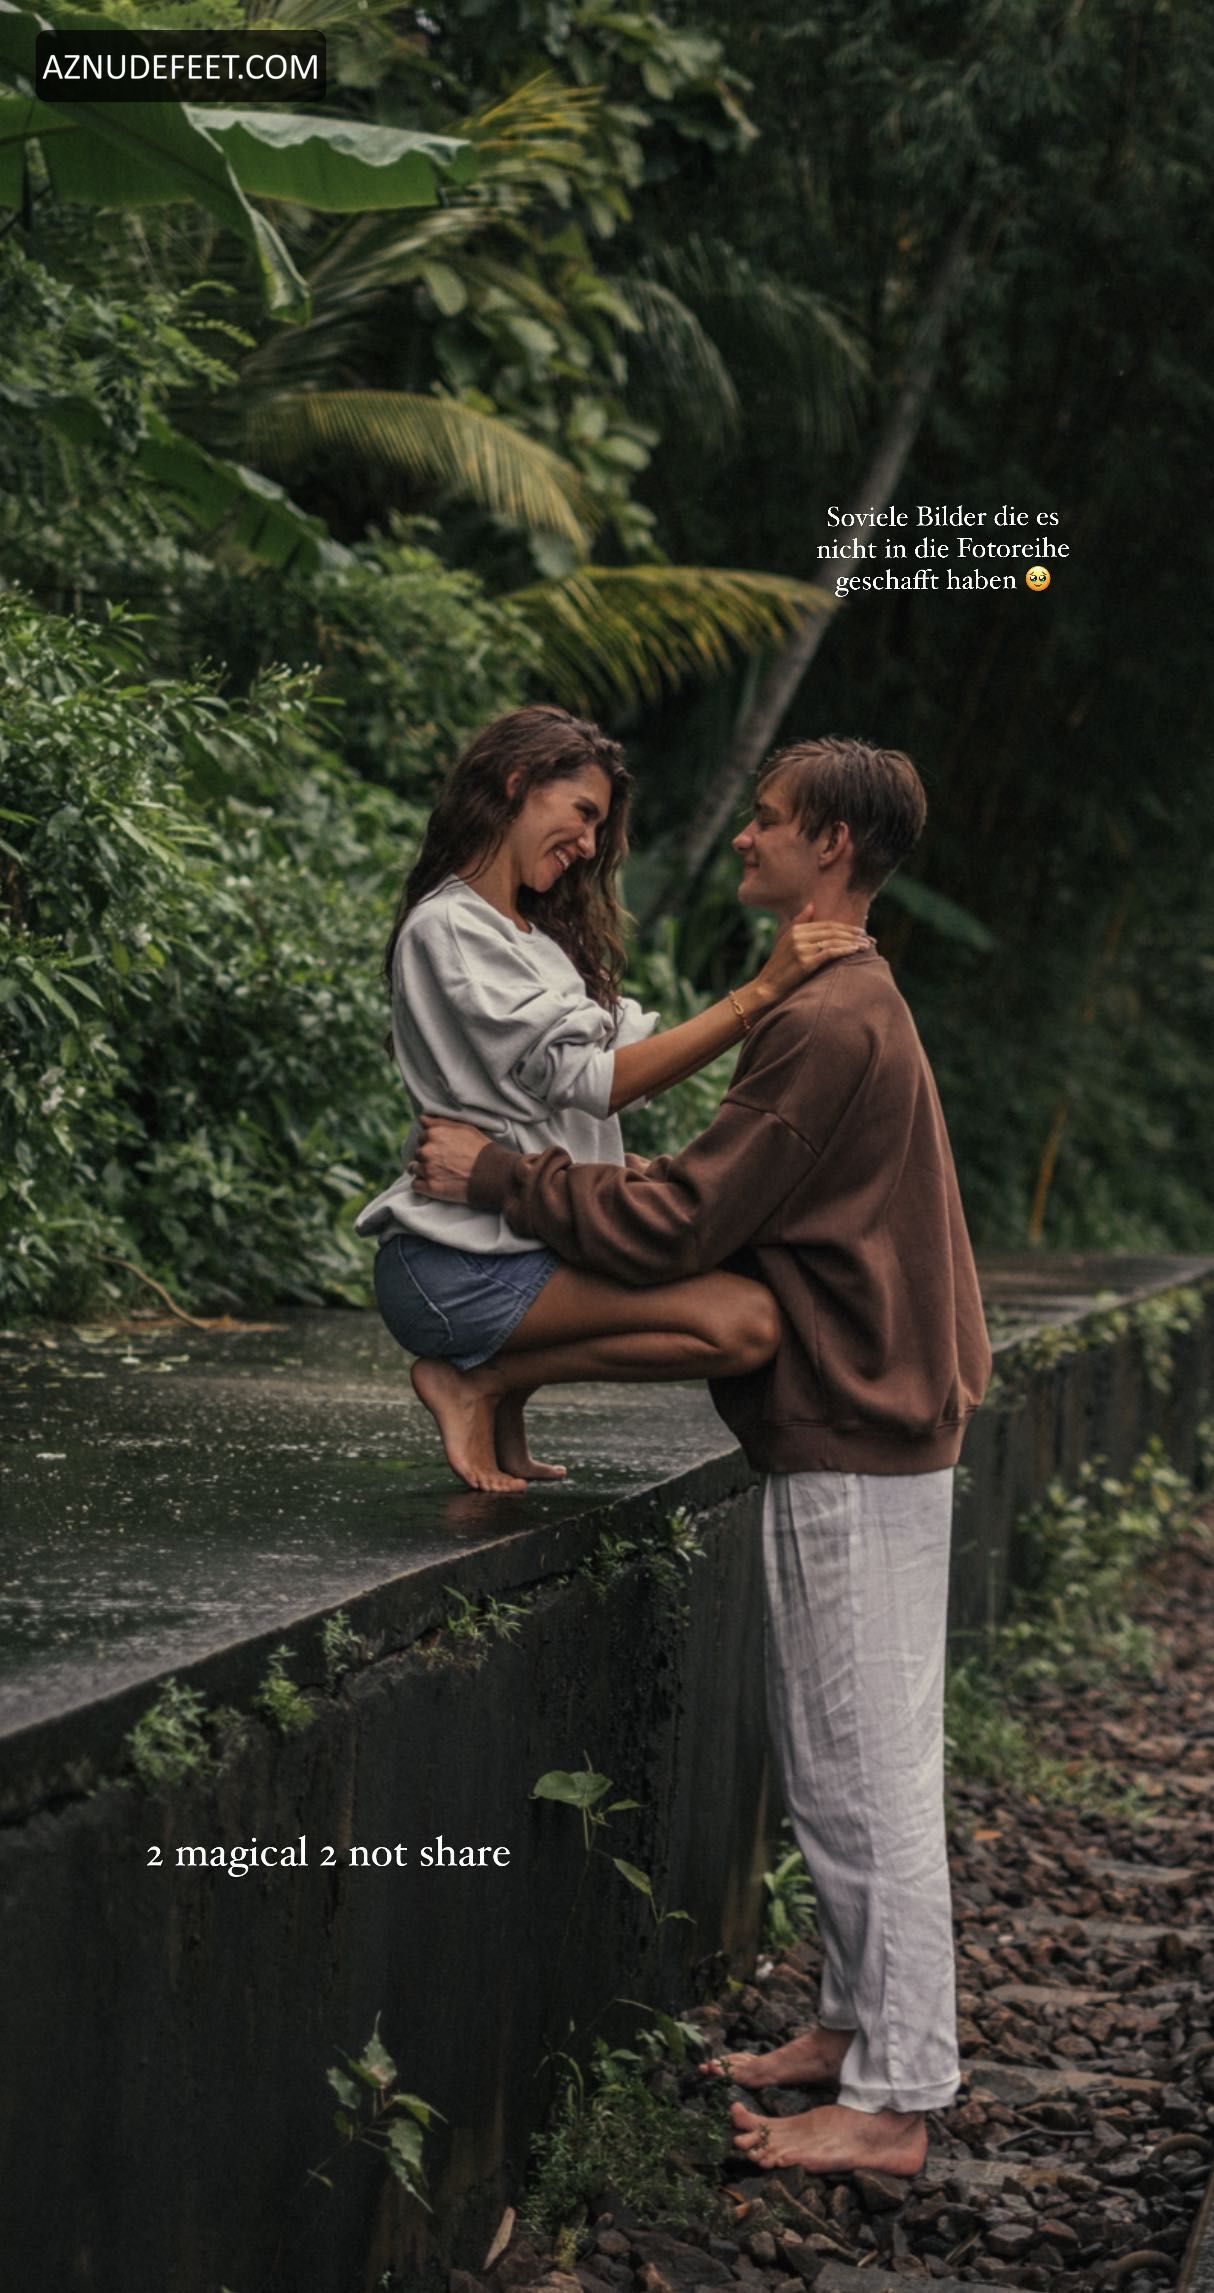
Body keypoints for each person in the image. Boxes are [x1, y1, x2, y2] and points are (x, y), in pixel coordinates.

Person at [411, 736, 992, 2178]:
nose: (744, 837)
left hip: (856, 1419)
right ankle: (854, 2028)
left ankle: (896, 2098)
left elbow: (684, 1219)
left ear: (832, 848)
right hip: (869, 1405)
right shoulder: (842, 1000)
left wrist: (501, 1176)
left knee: (866, 1763)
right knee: (839, 1747)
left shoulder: (826, 1018)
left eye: (770, 820)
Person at [356, 705, 864, 1493]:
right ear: (517, 784)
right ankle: (478, 1380)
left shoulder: (527, 935)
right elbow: (598, 1081)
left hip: (516, 1243)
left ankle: (498, 1393)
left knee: (746, 1309)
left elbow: (631, 1060)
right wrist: (762, 992)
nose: (590, 845)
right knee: (746, 1323)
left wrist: (772, 993)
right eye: (583, 813)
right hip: (460, 1262)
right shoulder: (451, 927)